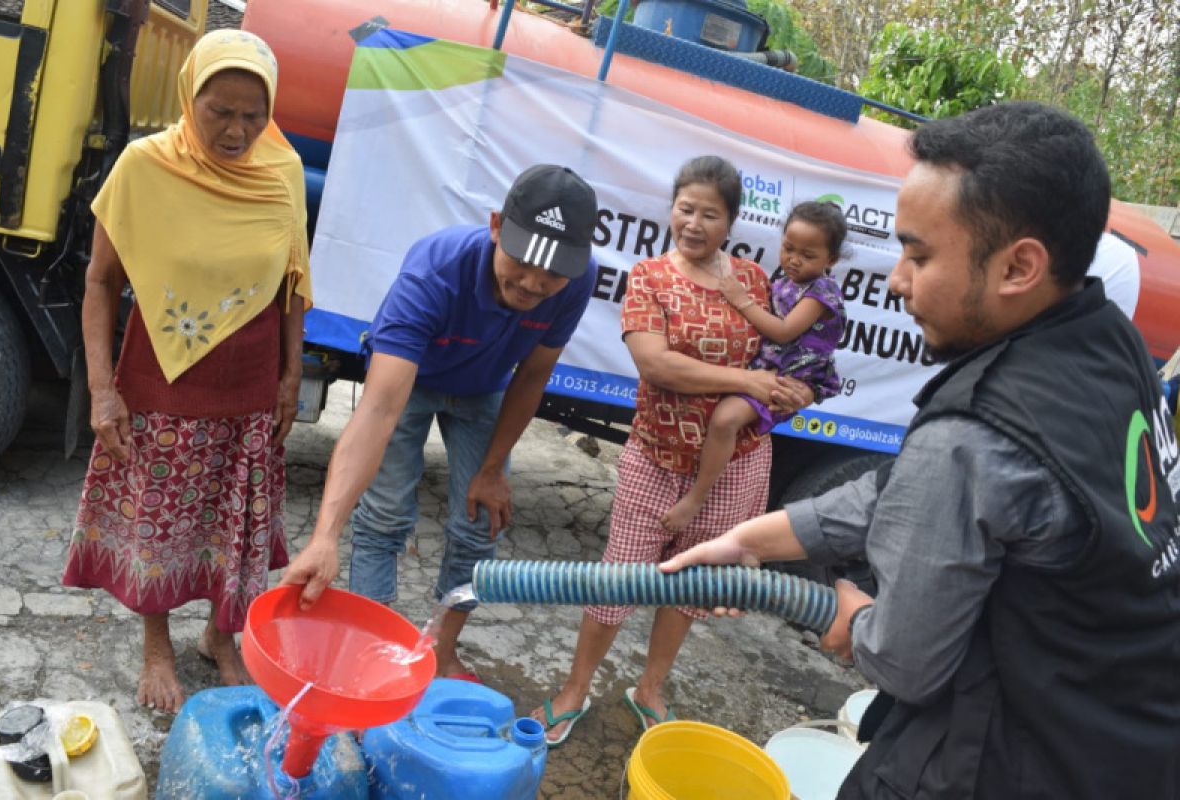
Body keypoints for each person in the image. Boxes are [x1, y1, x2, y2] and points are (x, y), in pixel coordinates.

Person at [663, 102, 1180, 799]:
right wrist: (754, 539)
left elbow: (905, 662)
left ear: (1018, 266)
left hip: (1005, 762)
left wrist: (852, 617)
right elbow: (912, 490)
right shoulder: (1107, 342)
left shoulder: (977, 430)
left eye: (920, 254)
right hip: (1127, 740)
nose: (896, 280)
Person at [63, 31, 311, 714]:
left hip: (252, 380)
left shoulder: (280, 169)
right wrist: (103, 391)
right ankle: (156, 645)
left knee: (237, 523)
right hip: (162, 379)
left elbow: (292, 282)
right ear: (189, 97)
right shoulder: (145, 167)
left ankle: (220, 636)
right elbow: (101, 280)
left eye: (252, 115)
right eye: (220, 111)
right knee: (160, 523)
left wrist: (291, 375)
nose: (237, 131)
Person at [532, 156, 813, 746]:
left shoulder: (753, 282)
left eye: (709, 213)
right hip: (657, 456)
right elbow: (656, 363)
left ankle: (650, 689)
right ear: (671, 210)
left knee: (689, 584)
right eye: (685, 209)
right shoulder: (650, 276)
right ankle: (575, 689)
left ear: (731, 222)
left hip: (734, 464)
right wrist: (746, 383)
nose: (693, 223)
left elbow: (780, 356)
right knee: (619, 581)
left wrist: (790, 388)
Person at [280, 165, 599, 681]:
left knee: (478, 529)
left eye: (552, 274)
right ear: (496, 225)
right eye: (520, 262)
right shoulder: (434, 271)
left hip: (486, 389)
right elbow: (379, 410)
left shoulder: (576, 282)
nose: (534, 283)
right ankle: (369, 648)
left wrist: (493, 467)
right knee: (383, 517)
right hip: (412, 381)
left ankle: (438, 647)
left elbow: (533, 375)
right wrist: (325, 536)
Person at [662, 201, 847, 532]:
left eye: (807, 255)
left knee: (725, 420)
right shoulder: (783, 278)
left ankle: (695, 499)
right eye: (788, 248)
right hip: (766, 365)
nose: (793, 259)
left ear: (830, 260)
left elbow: (783, 331)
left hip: (788, 376)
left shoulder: (821, 293)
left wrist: (739, 298)